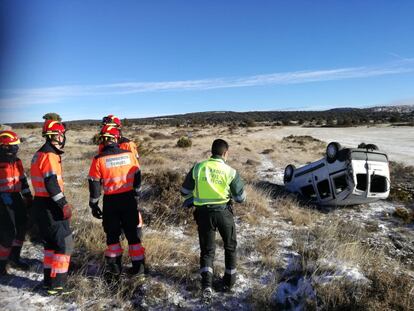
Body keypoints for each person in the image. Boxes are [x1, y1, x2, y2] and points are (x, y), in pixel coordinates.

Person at [180, 139, 246, 303]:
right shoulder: (230, 171)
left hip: (203, 214)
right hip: (224, 213)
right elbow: (240, 198)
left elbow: (184, 191)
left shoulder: (198, 167)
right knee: (230, 246)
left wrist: (193, 198)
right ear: (225, 153)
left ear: (212, 152)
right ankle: (229, 282)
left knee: (207, 250)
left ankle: (207, 286)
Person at [88, 125, 144, 279]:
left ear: (104, 140)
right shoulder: (129, 155)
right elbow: (138, 176)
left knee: (112, 237)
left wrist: (93, 204)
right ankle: (139, 270)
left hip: (111, 202)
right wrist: (137, 194)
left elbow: (94, 185)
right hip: (129, 199)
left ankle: (114, 272)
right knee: (133, 236)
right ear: (116, 138)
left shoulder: (98, 159)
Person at [31, 120, 73, 295]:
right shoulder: (49, 156)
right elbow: (51, 184)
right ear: (55, 135)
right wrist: (63, 204)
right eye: (61, 134)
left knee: (50, 245)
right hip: (50, 205)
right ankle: (57, 284)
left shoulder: (39, 153)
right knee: (64, 243)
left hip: (40, 204)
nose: (63, 137)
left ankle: (49, 282)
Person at [100, 115, 143, 238]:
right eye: (104, 126)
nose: (106, 128)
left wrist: (137, 189)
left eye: (110, 126)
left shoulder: (128, 144)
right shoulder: (103, 145)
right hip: (111, 190)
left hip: (128, 188)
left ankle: (137, 236)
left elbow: (136, 168)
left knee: (134, 214)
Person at [0, 130, 33, 275]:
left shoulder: (17, 161)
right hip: (2, 199)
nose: (15, 148)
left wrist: (28, 196)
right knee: (8, 233)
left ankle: (14, 258)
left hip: (16, 197)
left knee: (22, 226)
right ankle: (1, 265)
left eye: (16, 145)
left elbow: (23, 180)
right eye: (12, 146)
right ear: (4, 146)